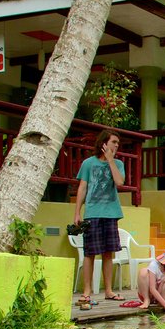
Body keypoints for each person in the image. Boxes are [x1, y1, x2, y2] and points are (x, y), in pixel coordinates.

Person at [73, 129, 125, 305]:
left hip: (111, 213)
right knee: (90, 253)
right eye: (113, 142)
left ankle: (109, 290)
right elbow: (82, 188)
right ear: (104, 143)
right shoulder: (88, 163)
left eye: (118, 143)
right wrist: (77, 213)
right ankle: (87, 291)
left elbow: (119, 182)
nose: (116, 146)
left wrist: (110, 160)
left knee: (108, 253)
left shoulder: (118, 164)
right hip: (92, 213)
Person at [132, 245, 165, 312]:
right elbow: (152, 289)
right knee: (143, 271)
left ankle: (161, 302)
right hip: (150, 294)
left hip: (162, 295)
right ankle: (146, 300)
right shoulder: (154, 265)